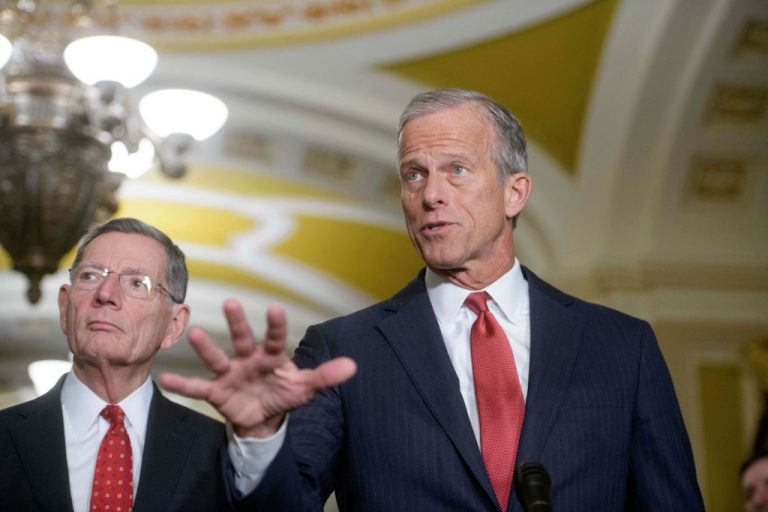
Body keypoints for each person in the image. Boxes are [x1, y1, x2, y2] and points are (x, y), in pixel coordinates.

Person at [162, 88, 705, 510]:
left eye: (457, 170)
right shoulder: (342, 350)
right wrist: (260, 437)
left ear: (515, 192)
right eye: (414, 175)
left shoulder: (622, 345)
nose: (431, 195)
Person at [0, 218, 349, 511]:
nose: (106, 294)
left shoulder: (224, 455)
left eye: (137, 283)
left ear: (173, 325)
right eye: (91, 275)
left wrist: (259, 433)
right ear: (65, 308)